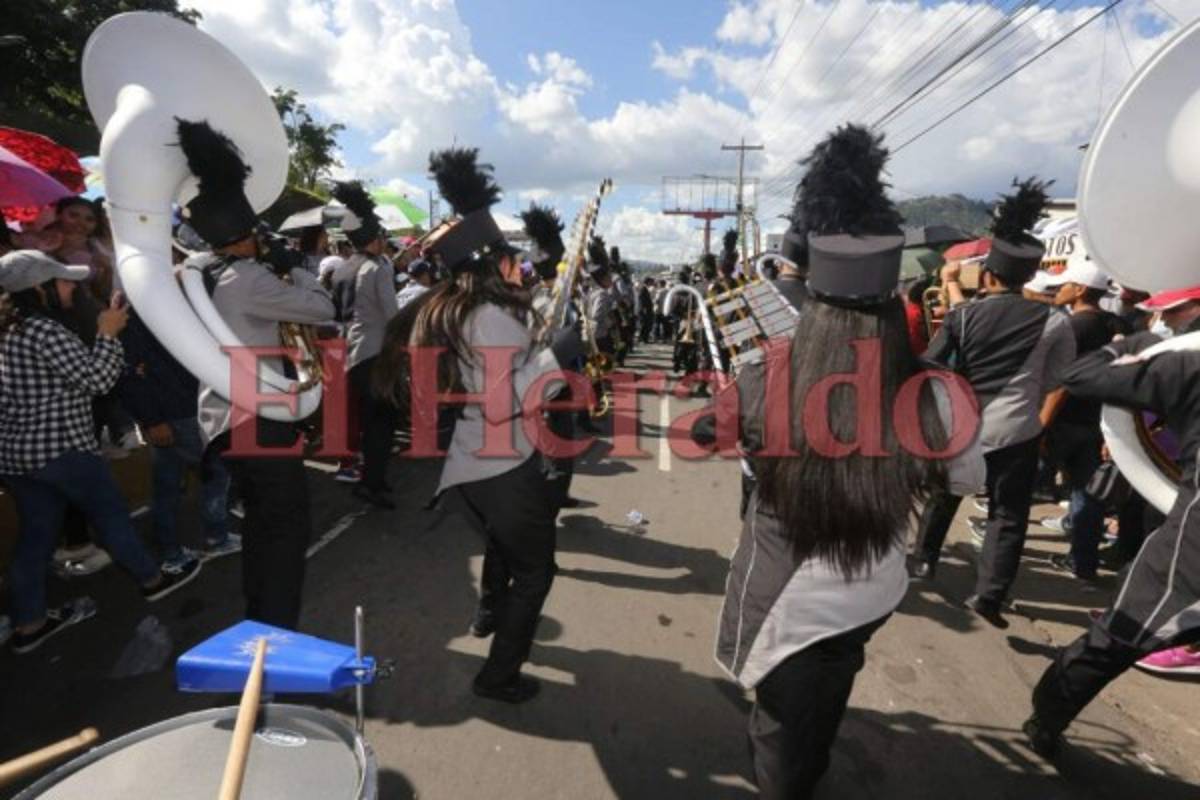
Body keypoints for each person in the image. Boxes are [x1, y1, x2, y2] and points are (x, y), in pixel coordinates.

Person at [696, 125, 983, 799]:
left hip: (784, 600)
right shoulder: (939, 393)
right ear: (893, 304)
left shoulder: (767, 377)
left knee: (781, 740)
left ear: (814, 302)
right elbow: (968, 479)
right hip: (873, 591)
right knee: (828, 691)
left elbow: (709, 434)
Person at [376, 147, 583, 703]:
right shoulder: (487, 315)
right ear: (490, 264)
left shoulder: (477, 309)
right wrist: (554, 359)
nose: (517, 264)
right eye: (509, 257)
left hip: (481, 465)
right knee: (536, 574)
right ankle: (497, 676)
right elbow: (502, 401)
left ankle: (490, 614)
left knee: (509, 553)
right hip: (501, 465)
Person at [1025, 285, 1200, 754]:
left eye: (1174, 311)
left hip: (1191, 552)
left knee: (1118, 636)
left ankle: (1046, 718)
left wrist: (1134, 343)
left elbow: (1080, 375)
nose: (1168, 320)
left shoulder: (1187, 361)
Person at [0, 250, 201, 654]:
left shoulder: (10, 330)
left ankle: (29, 623)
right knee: (111, 519)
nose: (71, 288)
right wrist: (108, 334)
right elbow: (98, 381)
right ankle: (153, 580)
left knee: (36, 538)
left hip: (17, 457)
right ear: (38, 289)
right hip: (64, 450)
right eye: (63, 281)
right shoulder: (44, 330)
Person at [177, 119, 334, 630]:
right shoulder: (246, 279)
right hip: (257, 415)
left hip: (227, 416)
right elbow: (323, 307)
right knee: (286, 527)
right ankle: (277, 630)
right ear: (245, 237)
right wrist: (299, 267)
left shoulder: (209, 273)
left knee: (265, 525)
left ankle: (260, 618)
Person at [912, 178, 1076, 630]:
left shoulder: (963, 316)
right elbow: (1058, 378)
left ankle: (924, 561)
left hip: (962, 426)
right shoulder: (1056, 322)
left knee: (944, 494)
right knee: (1008, 515)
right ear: (1031, 276)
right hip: (1018, 430)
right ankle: (990, 594)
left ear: (987, 275)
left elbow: (931, 365)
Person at [117, 307, 240, 570]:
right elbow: (127, 374)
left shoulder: (151, 311)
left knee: (168, 485)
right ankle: (216, 537)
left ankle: (171, 551)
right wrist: (152, 420)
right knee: (215, 473)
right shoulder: (139, 318)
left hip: (173, 412)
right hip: (177, 412)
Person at [1038, 256, 1129, 580]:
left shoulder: (1072, 327)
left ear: (1078, 289)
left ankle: (1001, 549)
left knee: (1022, 488)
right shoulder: (1117, 324)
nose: (1057, 290)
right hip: (1099, 422)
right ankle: (1083, 563)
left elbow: (1061, 382)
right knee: (1087, 494)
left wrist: (1042, 424)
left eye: (1063, 285)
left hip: (1063, 421)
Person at [331, 181, 400, 509]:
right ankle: (372, 483)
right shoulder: (377, 268)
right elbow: (392, 315)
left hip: (354, 353)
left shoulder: (344, 267)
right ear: (375, 238)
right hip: (376, 354)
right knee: (381, 424)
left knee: (369, 421)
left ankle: (373, 478)